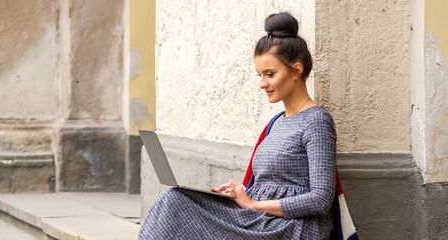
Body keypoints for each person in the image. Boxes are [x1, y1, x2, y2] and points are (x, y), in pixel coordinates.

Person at [138, 11, 337, 240]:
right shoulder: (277, 123)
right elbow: (266, 185)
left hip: (290, 227)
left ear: (296, 70)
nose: (262, 83)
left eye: (270, 74)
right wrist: (238, 193)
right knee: (175, 198)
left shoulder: (317, 121)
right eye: (259, 75)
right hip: (259, 217)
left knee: (176, 205)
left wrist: (253, 205)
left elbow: (321, 199)